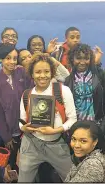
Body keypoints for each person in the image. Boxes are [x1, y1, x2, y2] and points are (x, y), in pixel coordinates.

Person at [18, 53, 77, 182]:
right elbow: (21, 122)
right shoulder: (27, 95)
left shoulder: (63, 91)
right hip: (31, 144)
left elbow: (73, 119)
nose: (42, 75)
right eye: (38, 72)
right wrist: (24, 128)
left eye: (46, 71)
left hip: (57, 143)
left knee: (72, 179)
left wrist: (56, 130)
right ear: (32, 74)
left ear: (52, 72)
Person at [0, 43, 32, 172]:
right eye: (8, 58)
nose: (12, 62)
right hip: (10, 132)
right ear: (0, 59)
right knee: (10, 166)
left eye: (15, 58)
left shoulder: (22, 73)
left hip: (27, 128)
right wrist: (6, 137)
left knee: (26, 165)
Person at [64, 43, 105, 135]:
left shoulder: (101, 75)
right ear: (72, 59)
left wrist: (102, 128)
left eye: (86, 58)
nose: (82, 62)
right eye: (78, 58)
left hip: (97, 125)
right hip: (76, 126)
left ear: (90, 59)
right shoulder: (68, 80)